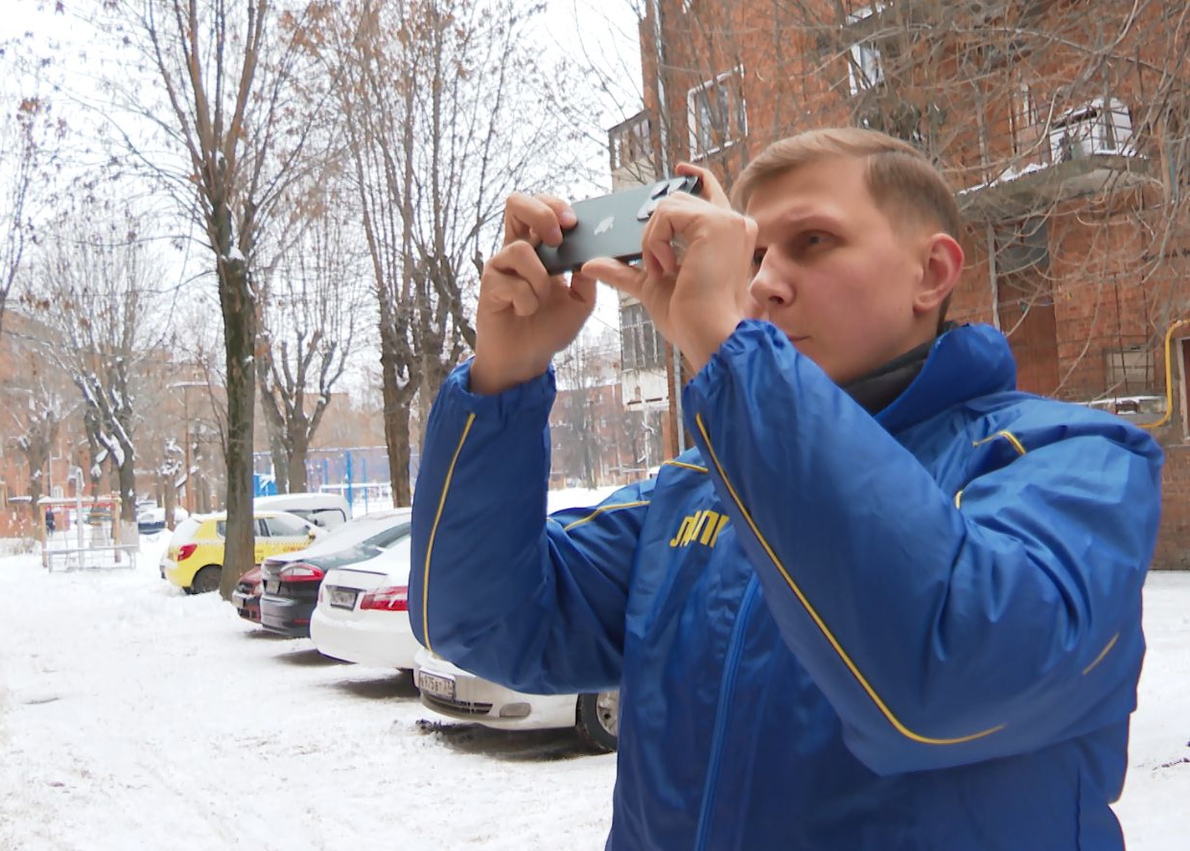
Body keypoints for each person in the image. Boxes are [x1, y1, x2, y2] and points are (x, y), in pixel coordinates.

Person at [407, 127, 1163, 849]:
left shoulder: (1074, 463)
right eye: (752, 252)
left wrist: (731, 352)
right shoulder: (698, 490)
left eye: (813, 242)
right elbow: (479, 622)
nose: (762, 283)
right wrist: (503, 376)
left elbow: (934, 679)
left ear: (932, 273)